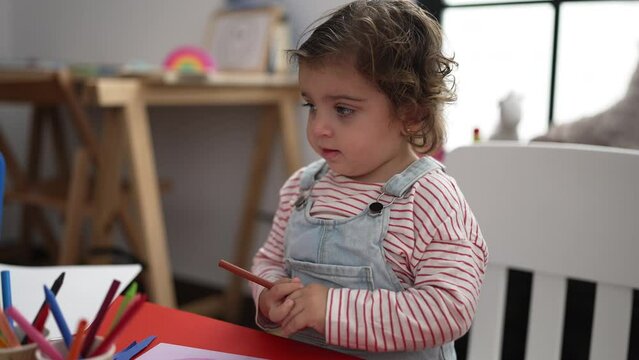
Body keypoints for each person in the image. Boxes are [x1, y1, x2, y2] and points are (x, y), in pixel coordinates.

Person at [250, 1, 488, 358]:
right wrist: (268, 296)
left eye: (343, 109)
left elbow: (450, 308)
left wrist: (331, 310)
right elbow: (268, 261)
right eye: (311, 106)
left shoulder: (431, 199)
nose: (319, 127)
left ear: (411, 114)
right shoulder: (302, 188)